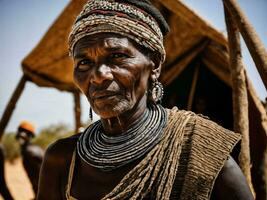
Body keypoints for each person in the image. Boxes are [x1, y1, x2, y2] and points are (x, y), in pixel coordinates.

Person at [38, 0, 253, 199]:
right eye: (84, 62)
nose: (98, 74)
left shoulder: (201, 152)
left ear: (155, 65)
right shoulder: (62, 160)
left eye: (117, 56)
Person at [16, 121, 44, 198]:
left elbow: (41, 178)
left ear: (30, 136)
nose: (22, 135)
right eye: (21, 131)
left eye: (26, 133)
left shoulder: (29, 152)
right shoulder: (36, 148)